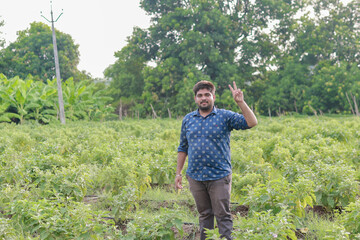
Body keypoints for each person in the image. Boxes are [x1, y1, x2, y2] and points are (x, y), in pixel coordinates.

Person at [175, 80, 257, 240]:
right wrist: (178, 173)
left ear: (213, 97)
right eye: (200, 95)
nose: (203, 98)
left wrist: (241, 102)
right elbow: (182, 147)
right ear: (195, 99)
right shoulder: (188, 119)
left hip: (219, 177)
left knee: (222, 215)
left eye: (207, 95)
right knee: (204, 215)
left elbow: (252, 122)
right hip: (195, 177)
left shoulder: (225, 116)